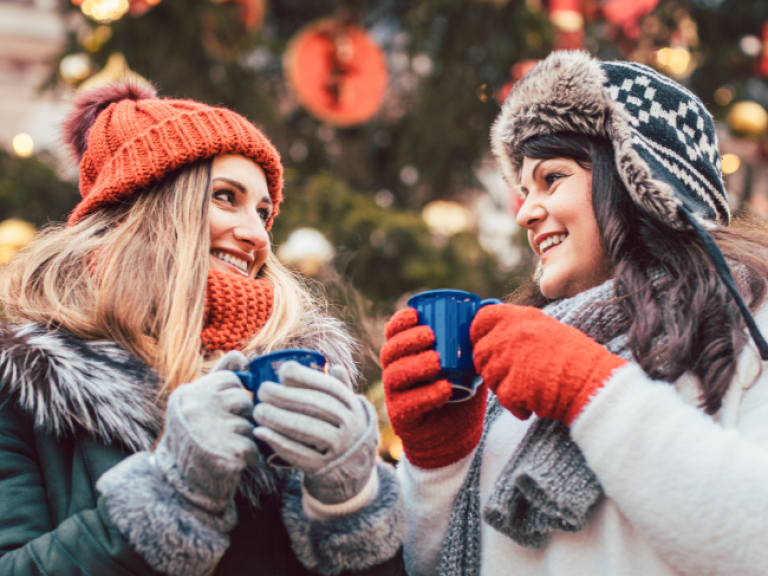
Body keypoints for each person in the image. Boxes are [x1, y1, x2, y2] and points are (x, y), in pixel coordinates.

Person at [381, 50, 768, 576]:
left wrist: (594, 392)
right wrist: (437, 462)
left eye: (551, 179)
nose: (524, 211)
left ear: (638, 181)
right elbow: (438, 564)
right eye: (522, 190)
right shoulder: (523, 362)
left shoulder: (750, 321)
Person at [0, 82, 405, 576]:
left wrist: (352, 506)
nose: (258, 234)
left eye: (262, 211)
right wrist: (168, 497)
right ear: (146, 208)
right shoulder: (26, 382)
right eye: (225, 197)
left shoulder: (298, 373)